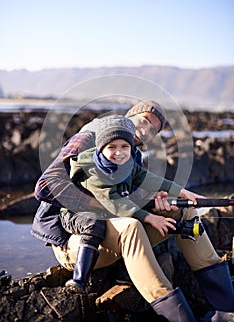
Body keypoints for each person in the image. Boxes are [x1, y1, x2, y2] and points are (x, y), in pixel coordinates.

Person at [32, 100, 234, 321]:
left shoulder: (131, 153)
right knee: (131, 225)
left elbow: (137, 192)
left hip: (113, 235)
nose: (146, 131)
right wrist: (109, 206)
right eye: (144, 120)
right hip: (77, 241)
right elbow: (46, 185)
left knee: (184, 211)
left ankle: (226, 311)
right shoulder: (90, 137)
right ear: (129, 116)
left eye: (154, 130)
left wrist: (167, 198)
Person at [65, 114, 184, 293]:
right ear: (100, 148)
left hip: (108, 212)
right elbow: (115, 202)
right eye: (111, 147)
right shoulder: (91, 168)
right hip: (78, 213)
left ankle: (126, 268)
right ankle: (79, 279)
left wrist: (183, 193)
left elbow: (148, 178)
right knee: (95, 223)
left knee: (145, 215)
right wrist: (151, 217)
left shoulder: (128, 163)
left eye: (124, 147)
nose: (119, 152)